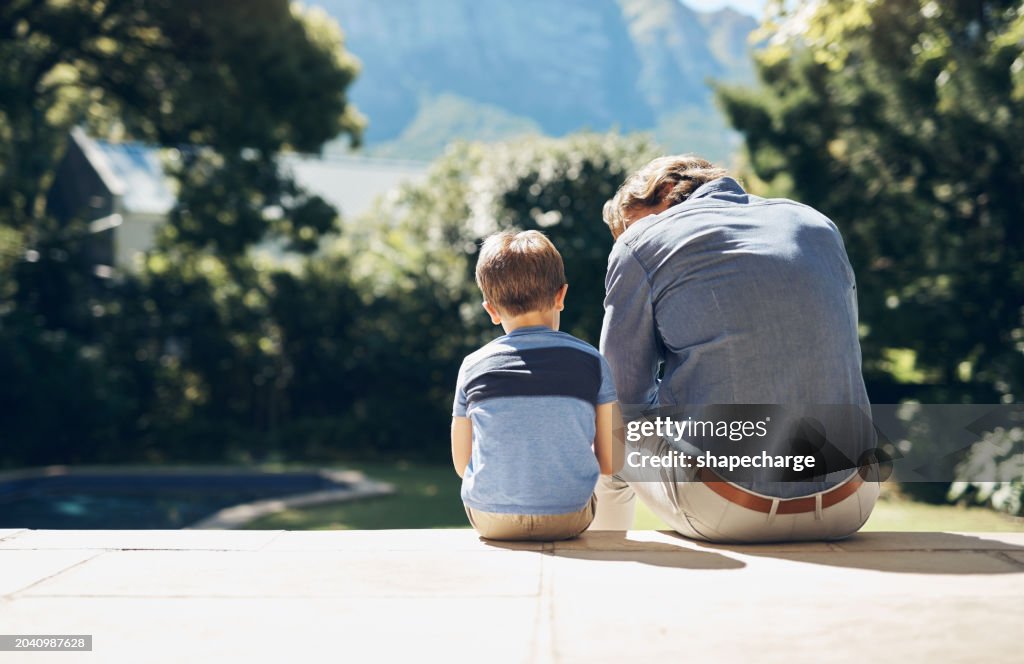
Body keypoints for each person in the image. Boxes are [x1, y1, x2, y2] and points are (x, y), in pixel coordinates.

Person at [592, 155, 879, 542]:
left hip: (731, 508)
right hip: (851, 499)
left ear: (663, 191)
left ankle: (603, 567)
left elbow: (621, 397)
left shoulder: (639, 245)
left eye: (633, 224)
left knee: (609, 426)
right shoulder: (816, 224)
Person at [451, 230, 620, 541]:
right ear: (561, 295)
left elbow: (463, 465)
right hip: (570, 518)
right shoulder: (591, 361)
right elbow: (610, 463)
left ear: (490, 309)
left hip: (491, 520)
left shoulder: (473, 366)